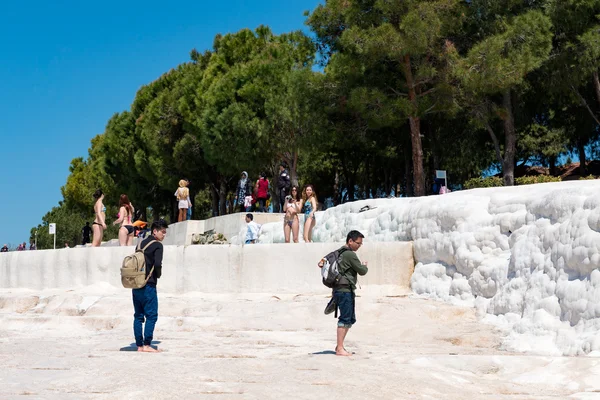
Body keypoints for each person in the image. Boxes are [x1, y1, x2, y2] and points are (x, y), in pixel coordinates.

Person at [326, 230, 368, 357]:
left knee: (349, 318)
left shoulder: (339, 252)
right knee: (345, 318)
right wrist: (364, 266)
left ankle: (339, 345)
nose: (359, 246)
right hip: (345, 290)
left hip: (339, 289)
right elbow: (362, 271)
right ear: (350, 241)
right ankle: (339, 348)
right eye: (358, 243)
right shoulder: (350, 254)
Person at [133, 219, 168, 353]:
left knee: (138, 316)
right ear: (155, 231)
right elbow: (158, 264)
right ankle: (147, 344)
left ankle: (139, 346)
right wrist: (157, 275)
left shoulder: (140, 244)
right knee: (152, 315)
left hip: (136, 284)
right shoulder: (158, 246)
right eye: (162, 232)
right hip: (149, 284)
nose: (164, 235)